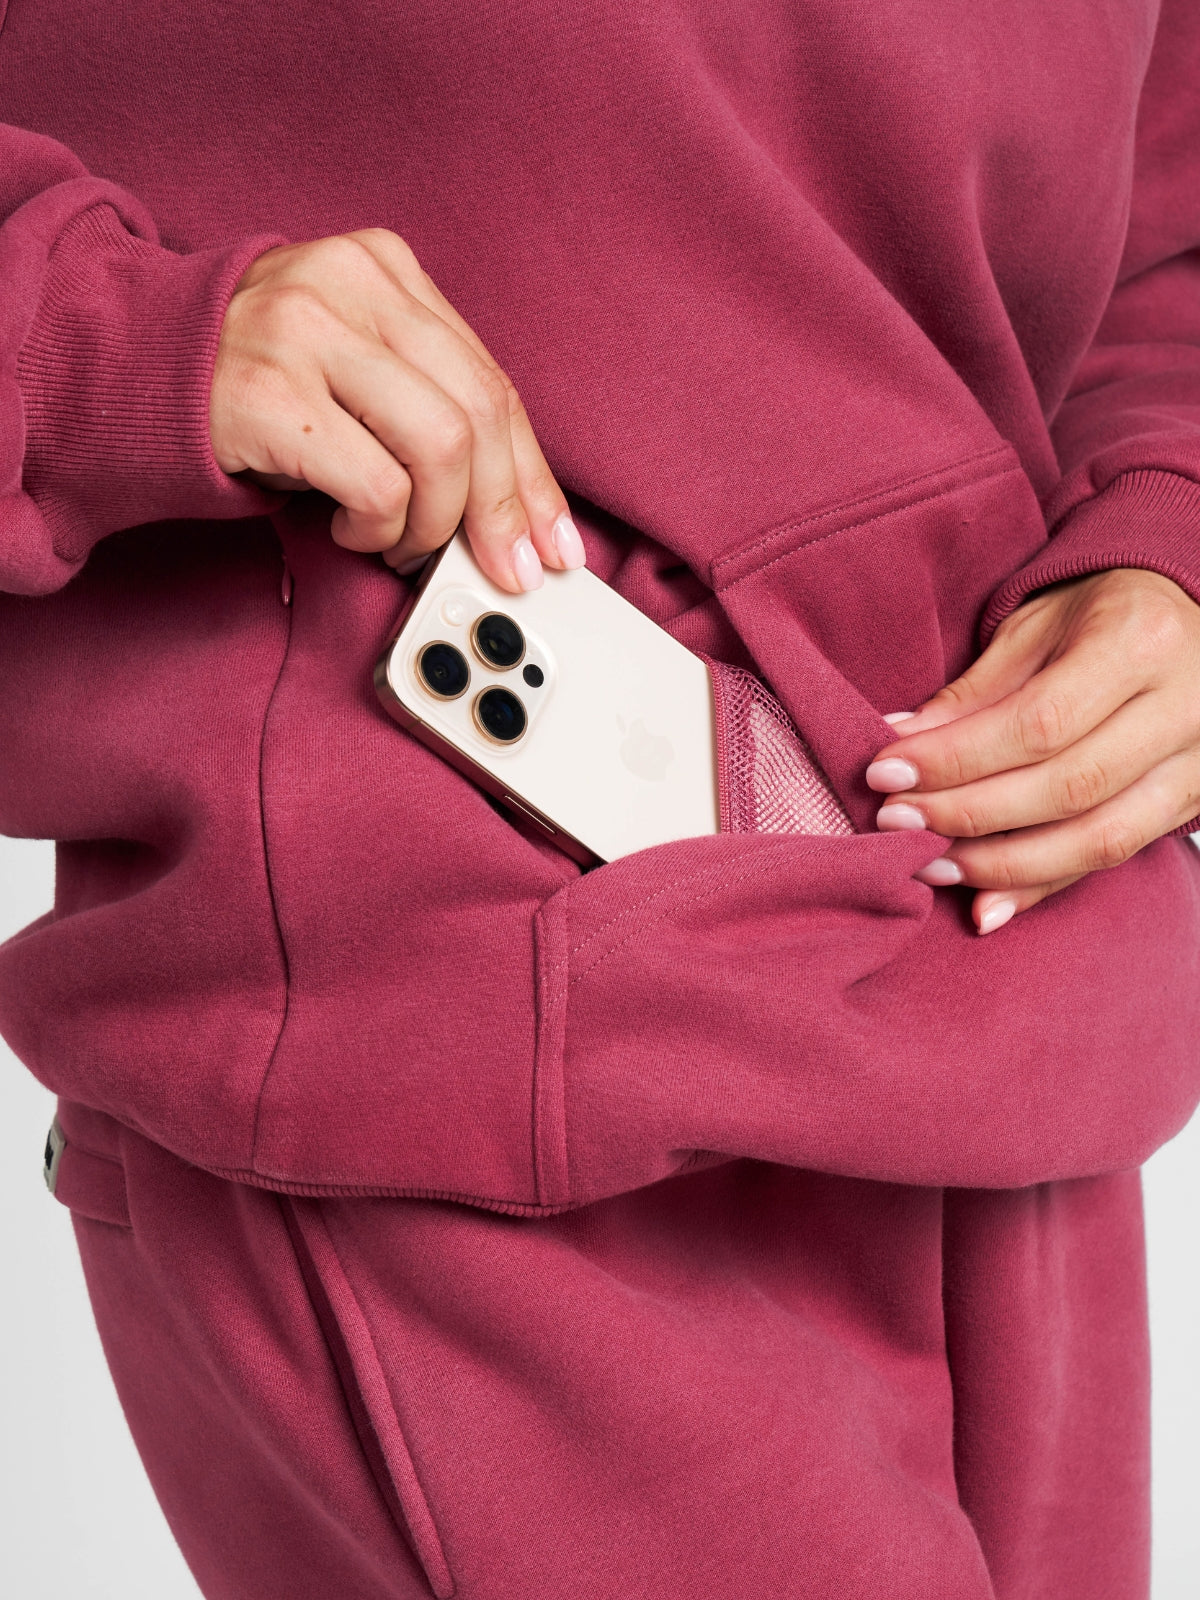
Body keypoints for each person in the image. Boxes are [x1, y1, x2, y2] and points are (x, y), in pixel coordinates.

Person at [2, 2, 1199, 1595]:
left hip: (1017, 955)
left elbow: (1165, 204)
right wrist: (93, 330)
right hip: (472, 1009)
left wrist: (1167, 524)